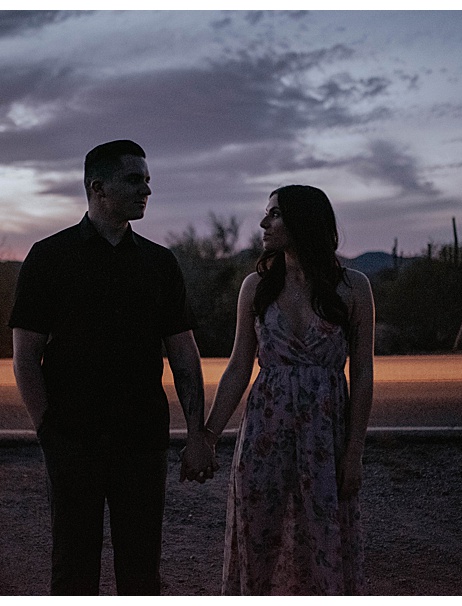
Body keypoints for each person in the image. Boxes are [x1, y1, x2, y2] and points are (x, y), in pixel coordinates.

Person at [9, 139, 215, 595]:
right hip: (73, 439)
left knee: (141, 572)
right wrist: (48, 431)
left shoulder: (159, 264)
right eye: (134, 179)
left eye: (147, 180)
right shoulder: (49, 257)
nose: (146, 190)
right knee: (73, 569)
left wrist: (197, 433)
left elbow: (183, 353)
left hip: (141, 439)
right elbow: (26, 355)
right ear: (97, 188)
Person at [186, 184, 374, 595]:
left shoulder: (354, 287)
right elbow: (238, 365)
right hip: (264, 435)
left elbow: (361, 373)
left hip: (326, 438)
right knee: (259, 539)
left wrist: (354, 451)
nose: (263, 222)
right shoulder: (257, 287)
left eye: (274, 214)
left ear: (303, 221)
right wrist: (209, 435)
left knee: (323, 538)